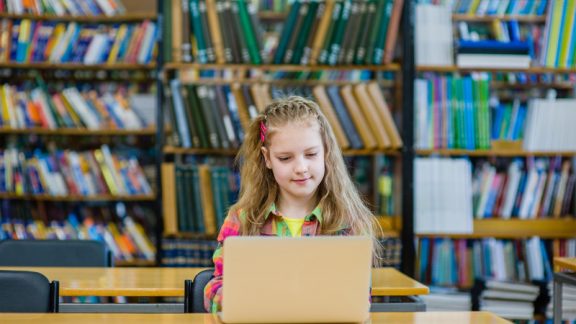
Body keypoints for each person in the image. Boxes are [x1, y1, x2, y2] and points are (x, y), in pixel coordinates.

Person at [204, 96, 382, 313]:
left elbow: (360, 297)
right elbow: (215, 288)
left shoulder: (351, 222)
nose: (301, 167)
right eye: (285, 158)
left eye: (311, 154)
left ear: (326, 152)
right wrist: (250, 303)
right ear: (267, 158)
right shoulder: (241, 219)